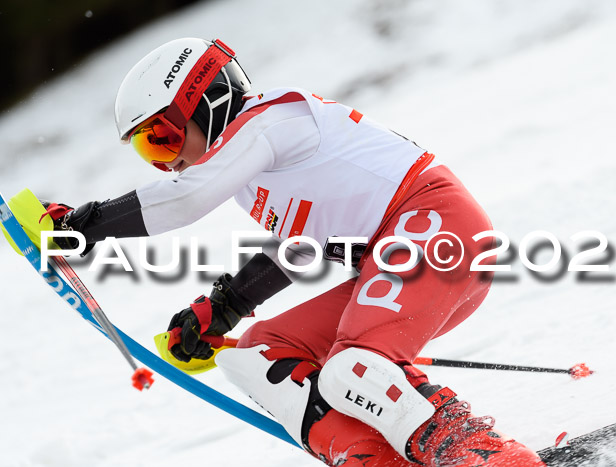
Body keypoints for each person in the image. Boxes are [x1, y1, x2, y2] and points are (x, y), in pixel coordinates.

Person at [44, 38, 544, 466]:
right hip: (395, 261)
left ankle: (479, 453)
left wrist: (83, 224)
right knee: (259, 358)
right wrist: (224, 307)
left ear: (207, 101)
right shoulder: (251, 171)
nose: (168, 159)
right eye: (148, 151)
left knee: (355, 368)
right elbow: (300, 247)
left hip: (436, 230)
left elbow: (187, 199)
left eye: (163, 136)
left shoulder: (271, 120)